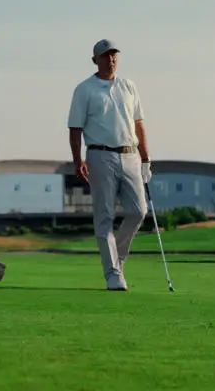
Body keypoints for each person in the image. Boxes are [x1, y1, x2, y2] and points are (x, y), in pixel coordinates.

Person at [66, 39, 151, 291]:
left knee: (139, 211)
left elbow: (138, 124)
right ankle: (113, 273)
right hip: (99, 155)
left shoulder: (129, 86)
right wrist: (77, 160)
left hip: (130, 155)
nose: (110, 59)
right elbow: (74, 129)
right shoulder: (85, 89)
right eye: (105, 56)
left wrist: (146, 159)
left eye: (114, 55)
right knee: (104, 216)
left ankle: (118, 259)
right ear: (95, 60)